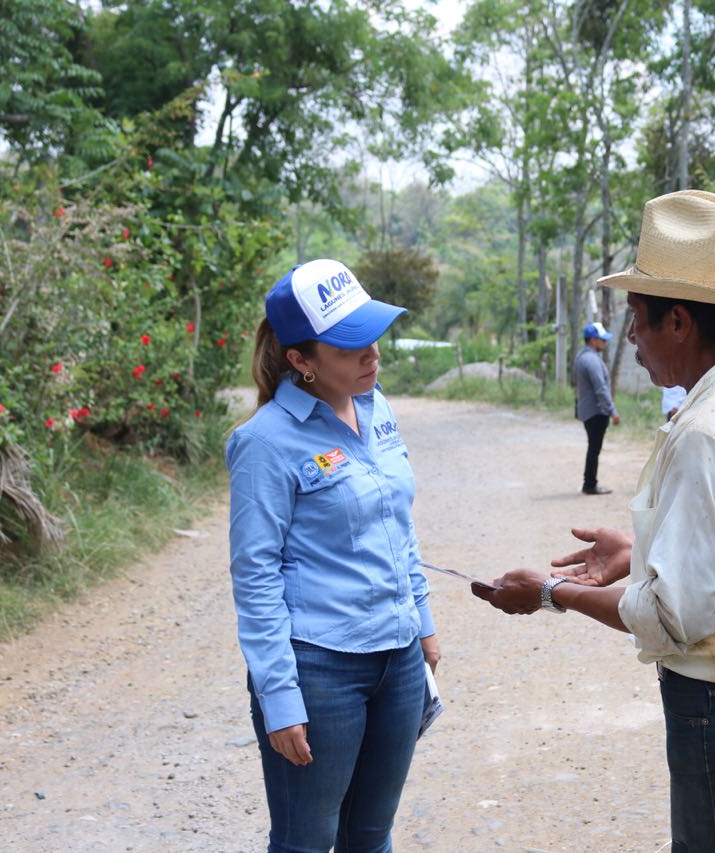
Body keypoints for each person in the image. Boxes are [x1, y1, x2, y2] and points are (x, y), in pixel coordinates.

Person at [472, 191, 715, 852]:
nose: (631, 342)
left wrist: (551, 594)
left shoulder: (707, 431)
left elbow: (676, 618)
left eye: (637, 321)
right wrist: (643, 546)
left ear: (678, 320)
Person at [227, 257, 440, 853]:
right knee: (305, 841)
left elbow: (397, 523)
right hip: (319, 670)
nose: (371, 354)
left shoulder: (377, 408)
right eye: (349, 346)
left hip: (396, 661)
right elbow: (255, 575)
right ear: (300, 360)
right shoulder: (265, 443)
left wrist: (421, 622)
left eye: (372, 336)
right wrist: (279, 697)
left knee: (371, 837)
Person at [574, 320, 620, 495]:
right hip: (596, 412)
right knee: (594, 449)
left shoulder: (582, 357)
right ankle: (590, 484)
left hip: (588, 411)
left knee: (593, 448)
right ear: (593, 340)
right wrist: (612, 411)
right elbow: (600, 389)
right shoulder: (591, 360)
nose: (605, 343)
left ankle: (589, 482)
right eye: (602, 339)